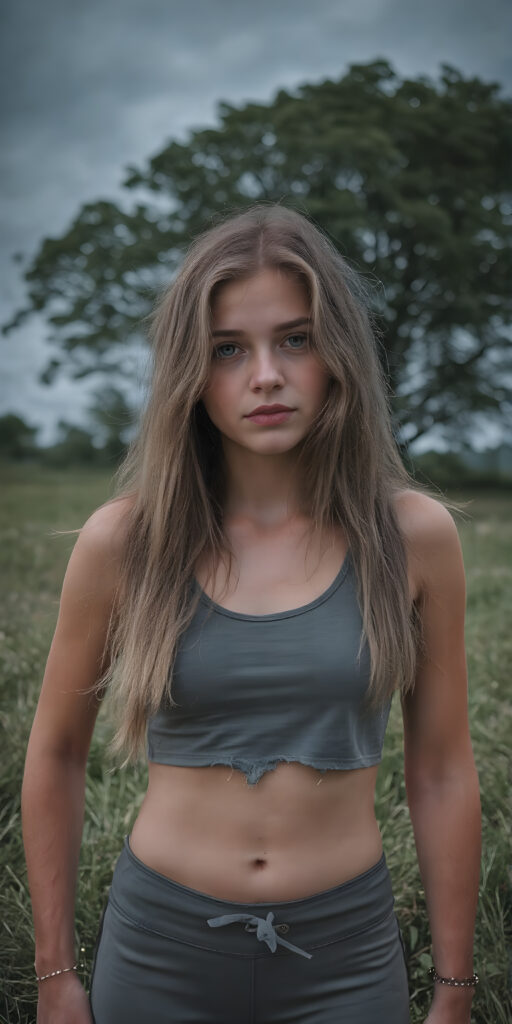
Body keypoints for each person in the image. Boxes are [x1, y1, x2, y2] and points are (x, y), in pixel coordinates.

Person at [22, 203, 481, 1024]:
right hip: (160, 952)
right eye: (228, 349)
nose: (265, 374)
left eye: (295, 340)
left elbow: (443, 771)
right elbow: (55, 754)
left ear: (337, 354)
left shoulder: (414, 537)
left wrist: (453, 989)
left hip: (347, 955)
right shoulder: (125, 543)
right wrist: (55, 974)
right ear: (190, 375)